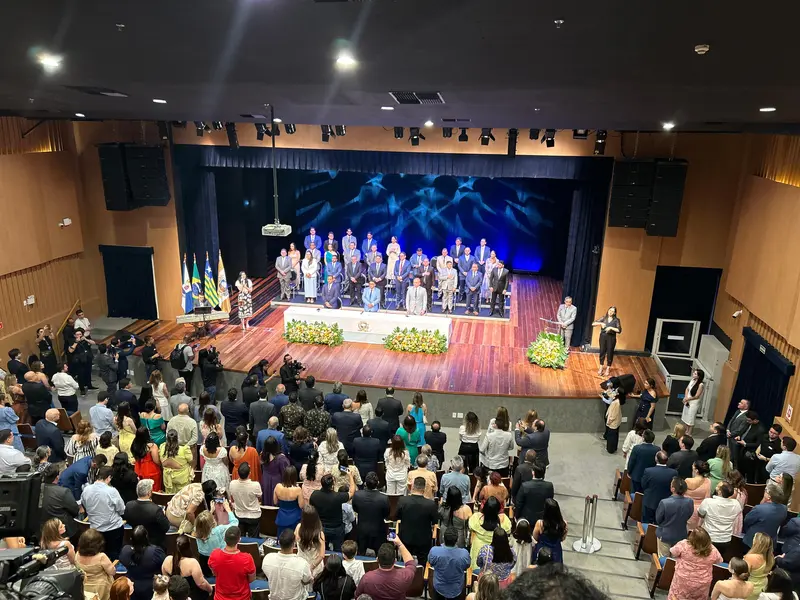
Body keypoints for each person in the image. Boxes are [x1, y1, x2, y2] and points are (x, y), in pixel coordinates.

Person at [666, 526, 723, 600]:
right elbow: (719, 561)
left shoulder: (683, 544)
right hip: (702, 583)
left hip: (683, 580)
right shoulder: (713, 550)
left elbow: (673, 552)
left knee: (676, 597)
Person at [82, 465, 125, 561]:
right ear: (109, 477)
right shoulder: (112, 491)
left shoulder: (86, 489)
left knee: (97, 555)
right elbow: (121, 509)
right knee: (114, 555)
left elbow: (84, 505)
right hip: (113, 529)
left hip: (95, 529)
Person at [355, 536, 417, 600]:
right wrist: (400, 544)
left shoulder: (367, 578)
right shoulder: (404, 576)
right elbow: (411, 563)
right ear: (395, 561)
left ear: (377, 560)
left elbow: (357, 596)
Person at [261, 528, 314, 600]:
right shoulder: (302, 564)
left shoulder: (268, 558)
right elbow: (306, 581)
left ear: (279, 543)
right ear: (294, 544)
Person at [208, 526, 256, 600]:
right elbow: (251, 579)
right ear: (239, 540)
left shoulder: (214, 555)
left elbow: (214, 573)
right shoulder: (247, 558)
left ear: (224, 539)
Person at [310, 472, 355, 551]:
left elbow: (311, 508)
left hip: (321, 527)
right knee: (338, 550)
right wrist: (350, 476)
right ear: (332, 485)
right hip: (336, 529)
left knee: (322, 549)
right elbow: (351, 492)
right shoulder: (337, 496)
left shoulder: (314, 495)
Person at [120, 526, 167, 600]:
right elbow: (164, 563)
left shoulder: (125, 551)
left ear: (131, 539)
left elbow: (122, 561)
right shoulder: (155, 552)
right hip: (150, 586)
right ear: (146, 537)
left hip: (132, 585)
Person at [698, 480, 743, 556]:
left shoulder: (708, 502)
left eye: (718, 486)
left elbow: (700, 514)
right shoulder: (736, 504)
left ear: (720, 492)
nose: (716, 487)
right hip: (725, 539)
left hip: (709, 537)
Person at [161, 536, 213, 600]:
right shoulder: (192, 563)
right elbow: (201, 583)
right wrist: (210, 589)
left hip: (175, 595)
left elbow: (166, 579)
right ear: (188, 547)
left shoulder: (167, 559)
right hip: (192, 595)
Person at [468, 496, 512, 569]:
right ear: (498, 510)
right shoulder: (504, 522)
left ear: (484, 509)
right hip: (496, 554)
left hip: (478, 552)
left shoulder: (476, 519)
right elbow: (509, 529)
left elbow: (470, 525)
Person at [40, 464, 81, 543]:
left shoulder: (35, 489)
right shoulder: (63, 492)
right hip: (63, 531)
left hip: (42, 530)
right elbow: (75, 511)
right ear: (57, 477)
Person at [124, 479, 171, 547]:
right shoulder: (156, 510)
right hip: (154, 545)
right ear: (149, 493)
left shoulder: (129, 505)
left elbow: (128, 520)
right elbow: (166, 527)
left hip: (135, 542)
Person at [655, 477, 695, 557]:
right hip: (681, 535)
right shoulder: (690, 502)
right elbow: (689, 515)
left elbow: (658, 519)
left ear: (673, 489)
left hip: (665, 535)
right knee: (676, 560)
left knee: (663, 559)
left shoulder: (664, 502)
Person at [352, 471, 389, 554]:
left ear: (365, 483)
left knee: (360, 554)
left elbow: (355, 509)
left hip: (362, 530)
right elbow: (386, 514)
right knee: (380, 554)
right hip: (378, 531)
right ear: (378, 483)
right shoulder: (384, 498)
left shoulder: (357, 495)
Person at [429, 526, 471, 600]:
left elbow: (430, 562)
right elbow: (467, 565)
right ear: (457, 540)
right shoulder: (464, 554)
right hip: (456, 590)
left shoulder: (434, 551)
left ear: (443, 537)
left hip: (439, 588)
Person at [75, 528, 116, 600]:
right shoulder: (101, 557)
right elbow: (112, 572)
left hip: (84, 586)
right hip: (101, 588)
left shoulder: (77, 554)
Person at [744, 483, 788, 548]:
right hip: (770, 543)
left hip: (754, 541)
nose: (764, 491)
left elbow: (747, 521)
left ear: (769, 497)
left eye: (766, 490)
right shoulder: (784, 509)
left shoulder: (759, 509)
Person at [641, 451, 677, 524]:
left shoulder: (648, 471)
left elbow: (643, 485)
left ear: (656, 459)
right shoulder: (674, 472)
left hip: (650, 501)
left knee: (646, 522)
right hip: (665, 502)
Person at [531, 497, 567, 565]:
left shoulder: (540, 524)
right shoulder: (563, 524)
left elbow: (535, 537)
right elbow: (563, 538)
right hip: (556, 551)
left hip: (542, 551)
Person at [160, 429, 193, 493]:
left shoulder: (162, 448)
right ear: (177, 438)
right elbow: (191, 460)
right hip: (182, 479)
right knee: (183, 496)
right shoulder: (184, 450)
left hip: (167, 479)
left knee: (169, 497)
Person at [591, 306, 622, 376]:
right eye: (610, 310)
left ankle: (608, 368)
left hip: (611, 338)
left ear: (614, 313)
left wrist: (611, 328)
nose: (610, 312)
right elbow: (593, 324)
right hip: (603, 337)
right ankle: (601, 367)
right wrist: (600, 323)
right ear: (608, 311)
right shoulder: (604, 318)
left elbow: (619, 330)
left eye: (612, 311)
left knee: (610, 353)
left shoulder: (616, 320)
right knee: (602, 352)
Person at [131, 426, 162, 492]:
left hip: (139, 469)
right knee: (154, 490)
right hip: (151, 470)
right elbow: (156, 460)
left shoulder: (134, 444)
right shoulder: (152, 446)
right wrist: (161, 465)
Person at [261, 435, 290, 504]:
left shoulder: (263, 456)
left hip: (265, 482)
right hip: (276, 483)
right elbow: (287, 473)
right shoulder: (281, 459)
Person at [745, 532, 775, 598]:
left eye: (754, 538)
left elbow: (743, 574)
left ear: (757, 542)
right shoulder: (771, 557)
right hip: (763, 586)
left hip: (750, 588)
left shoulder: (750, 557)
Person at [66, 329, 95, 395]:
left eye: (80, 334)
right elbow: (70, 350)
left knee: (88, 372)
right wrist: (76, 342)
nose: (79, 335)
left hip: (87, 358)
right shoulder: (72, 341)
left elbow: (93, 343)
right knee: (80, 374)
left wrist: (86, 339)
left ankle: (89, 385)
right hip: (79, 360)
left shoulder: (85, 339)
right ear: (74, 335)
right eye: (77, 334)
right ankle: (82, 389)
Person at [727, 398, 753, 467]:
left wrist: (730, 434)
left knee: (734, 457)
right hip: (730, 435)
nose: (739, 403)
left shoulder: (747, 416)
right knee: (729, 454)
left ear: (746, 406)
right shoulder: (737, 411)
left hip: (735, 439)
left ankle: (735, 469)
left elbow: (740, 430)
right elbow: (731, 420)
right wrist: (728, 430)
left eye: (741, 403)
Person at [681, 369, 706, 435]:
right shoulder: (692, 380)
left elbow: (697, 396)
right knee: (686, 416)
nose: (693, 374)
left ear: (698, 376)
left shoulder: (701, 385)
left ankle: (689, 433)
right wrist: (686, 397)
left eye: (695, 374)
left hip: (693, 403)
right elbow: (687, 389)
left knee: (691, 418)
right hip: (688, 400)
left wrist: (688, 399)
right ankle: (686, 430)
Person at [604, 386, 623, 453]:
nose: (614, 391)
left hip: (613, 422)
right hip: (615, 421)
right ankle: (613, 448)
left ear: (618, 393)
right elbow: (610, 394)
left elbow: (614, 415)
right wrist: (608, 389)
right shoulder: (616, 398)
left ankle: (611, 449)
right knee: (614, 435)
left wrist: (609, 422)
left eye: (616, 391)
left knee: (611, 436)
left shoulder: (616, 403)